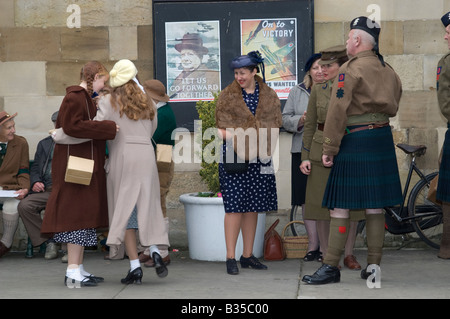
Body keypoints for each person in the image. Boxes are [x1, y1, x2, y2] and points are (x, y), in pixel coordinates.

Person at [302, 17, 402, 285]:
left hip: (355, 139)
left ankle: (330, 266)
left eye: (348, 38)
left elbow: (336, 111)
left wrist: (329, 147)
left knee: (340, 207)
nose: (346, 42)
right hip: (380, 137)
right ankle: (374, 266)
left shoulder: (349, 69)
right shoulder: (388, 68)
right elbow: (396, 101)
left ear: (357, 40)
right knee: (374, 207)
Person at [41, 61, 117, 288]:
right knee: (77, 217)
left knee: (83, 217)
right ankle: (73, 269)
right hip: (76, 166)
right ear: (93, 77)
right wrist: (108, 128)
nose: (104, 85)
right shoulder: (75, 97)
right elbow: (72, 127)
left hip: (81, 164)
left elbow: (76, 128)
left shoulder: (83, 97)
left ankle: (78, 268)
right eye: (102, 80)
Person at [215, 51, 282, 275]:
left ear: (255, 71)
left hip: (261, 156)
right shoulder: (227, 96)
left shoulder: (270, 95)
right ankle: (230, 257)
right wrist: (241, 138)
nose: (239, 77)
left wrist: (261, 143)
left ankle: (247, 255)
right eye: (236, 73)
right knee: (234, 208)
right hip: (235, 157)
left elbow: (275, 125)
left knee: (253, 207)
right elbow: (220, 131)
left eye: (243, 73)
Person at [300, 46, 364, 269]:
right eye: (321, 66)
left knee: (351, 208)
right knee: (321, 207)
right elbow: (310, 125)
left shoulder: (355, 87)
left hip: (348, 148)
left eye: (328, 66)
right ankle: (329, 256)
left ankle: (348, 254)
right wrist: (305, 156)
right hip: (320, 149)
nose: (322, 70)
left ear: (341, 66)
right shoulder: (319, 88)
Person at [282, 53, 323, 261]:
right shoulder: (297, 91)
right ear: (309, 71)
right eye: (315, 68)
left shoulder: (334, 90)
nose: (319, 71)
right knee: (306, 199)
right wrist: (301, 120)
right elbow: (284, 119)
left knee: (325, 200)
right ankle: (312, 245)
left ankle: (326, 247)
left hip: (325, 150)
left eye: (323, 67)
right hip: (301, 150)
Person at [138, 79, 177, 268]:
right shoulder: (158, 110)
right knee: (149, 203)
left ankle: (162, 250)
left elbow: (148, 137)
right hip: (159, 156)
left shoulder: (164, 114)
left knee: (158, 202)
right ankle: (149, 248)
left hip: (161, 158)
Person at [18, 111, 59, 259]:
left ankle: (69, 246)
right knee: (25, 206)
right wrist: (35, 182)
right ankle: (50, 241)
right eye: (55, 122)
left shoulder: (74, 142)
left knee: (63, 206)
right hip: (47, 189)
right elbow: (35, 167)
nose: (58, 125)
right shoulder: (45, 143)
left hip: (67, 191)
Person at [0, 111, 30, 258]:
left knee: (11, 205)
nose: (14, 130)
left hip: (9, 189)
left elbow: (24, 170)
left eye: (13, 126)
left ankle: (5, 243)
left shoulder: (21, 143)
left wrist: (24, 188)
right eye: (9, 128)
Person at [168, 32, 220, 100]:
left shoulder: (214, 77)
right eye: (183, 55)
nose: (185, 59)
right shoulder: (177, 80)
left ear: (200, 57)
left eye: (190, 54)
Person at [436, 11, 450, 259]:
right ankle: (448, 246)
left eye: (449, 31)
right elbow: (445, 103)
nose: (446, 36)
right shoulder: (446, 62)